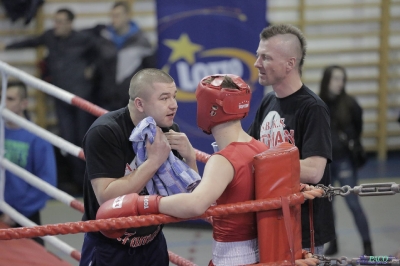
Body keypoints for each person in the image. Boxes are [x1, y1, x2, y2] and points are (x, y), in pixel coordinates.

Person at [96, 74, 322, 266]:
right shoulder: (259, 147)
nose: (175, 104)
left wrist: (142, 204)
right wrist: (191, 158)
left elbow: (196, 205)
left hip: (230, 258)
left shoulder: (223, 160)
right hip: (259, 254)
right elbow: (213, 197)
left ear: (211, 108)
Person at [79, 68, 198, 266]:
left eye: (174, 97)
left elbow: (189, 198)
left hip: (152, 243)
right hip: (109, 246)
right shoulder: (106, 132)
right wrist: (153, 162)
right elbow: (106, 197)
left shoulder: (168, 130)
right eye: (164, 98)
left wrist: (190, 158)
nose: (173, 105)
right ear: (140, 104)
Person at [248, 24, 336, 255]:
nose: (257, 63)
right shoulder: (267, 103)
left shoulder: (313, 108)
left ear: (289, 64)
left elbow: (315, 171)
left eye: (266, 57)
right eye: (258, 55)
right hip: (270, 218)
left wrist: (263, 163)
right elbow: (248, 149)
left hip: (304, 229)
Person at [0, 8, 98, 195]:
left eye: (61, 22)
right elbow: (31, 41)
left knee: (84, 140)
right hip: (61, 98)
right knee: (67, 140)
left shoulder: (83, 39)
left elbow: (103, 52)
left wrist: (92, 69)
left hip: (81, 97)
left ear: (70, 23)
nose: (57, 25)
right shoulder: (50, 37)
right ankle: (78, 183)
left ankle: (91, 182)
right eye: (55, 21)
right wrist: (8, 46)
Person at [319, 65, 373, 256]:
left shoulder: (351, 104)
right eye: (335, 78)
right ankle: (333, 243)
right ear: (327, 80)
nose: (339, 83)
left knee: (353, 204)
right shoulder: (317, 104)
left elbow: (358, 129)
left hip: (344, 161)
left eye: (342, 79)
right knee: (327, 206)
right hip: (325, 163)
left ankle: (367, 246)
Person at [0, 81, 57, 246]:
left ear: (24, 103)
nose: (4, 103)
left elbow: (46, 183)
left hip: (25, 215)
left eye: (10, 98)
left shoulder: (37, 138)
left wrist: (16, 213)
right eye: (2, 97)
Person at [89, 1, 157, 111]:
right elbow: (98, 69)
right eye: (112, 16)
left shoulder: (142, 41)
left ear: (127, 16)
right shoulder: (103, 40)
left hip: (132, 99)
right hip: (107, 98)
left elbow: (150, 71)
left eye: (117, 15)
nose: (113, 19)